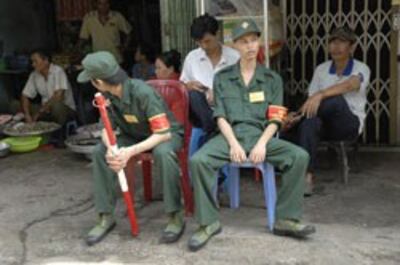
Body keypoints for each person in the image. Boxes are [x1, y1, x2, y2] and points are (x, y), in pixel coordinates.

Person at [188, 19, 316, 252]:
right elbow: (220, 117)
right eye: (244, 42)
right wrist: (234, 144)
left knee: (299, 156)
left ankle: (286, 218)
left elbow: (276, 119)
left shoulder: (272, 79)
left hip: (261, 136)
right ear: (235, 45)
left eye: (254, 40)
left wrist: (262, 144)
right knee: (199, 160)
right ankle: (208, 222)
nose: (250, 46)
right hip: (229, 136)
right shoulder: (223, 78)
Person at [77, 51, 185, 246]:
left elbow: (163, 133)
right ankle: (105, 216)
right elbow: (105, 128)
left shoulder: (142, 92)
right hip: (133, 134)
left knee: (163, 153)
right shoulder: (105, 95)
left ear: (99, 81)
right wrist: (111, 147)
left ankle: (175, 216)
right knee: (99, 152)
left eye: (91, 80)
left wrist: (130, 151)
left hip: (165, 135)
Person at [283, 26, 370, 195]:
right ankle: (307, 177)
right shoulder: (321, 69)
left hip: (347, 124)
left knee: (335, 100)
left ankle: (293, 123)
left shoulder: (361, 68)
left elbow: (351, 84)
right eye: (332, 42)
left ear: (352, 47)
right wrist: (301, 111)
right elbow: (311, 102)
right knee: (310, 121)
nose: (336, 46)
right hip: (323, 125)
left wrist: (321, 94)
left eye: (342, 42)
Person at [180, 13, 239, 138]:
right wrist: (187, 86)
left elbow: (243, 88)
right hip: (201, 114)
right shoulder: (192, 58)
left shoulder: (234, 58)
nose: (203, 46)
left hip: (229, 110)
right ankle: (213, 127)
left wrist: (219, 93)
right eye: (199, 42)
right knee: (194, 96)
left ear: (217, 34)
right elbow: (181, 87)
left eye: (207, 41)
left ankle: (214, 129)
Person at [17, 50, 76, 125]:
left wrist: (40, 112)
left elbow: (59, 97)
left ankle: (58, 133)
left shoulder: (58, 71)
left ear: (46, 61)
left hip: (65, 109)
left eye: (35, 61)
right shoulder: (34, 75)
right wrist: (27, 115)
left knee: (56, 107)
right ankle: (30, 126)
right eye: (32, 62)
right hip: (44, 109)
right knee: (15, 105)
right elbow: (25, 95)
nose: (33, 64)